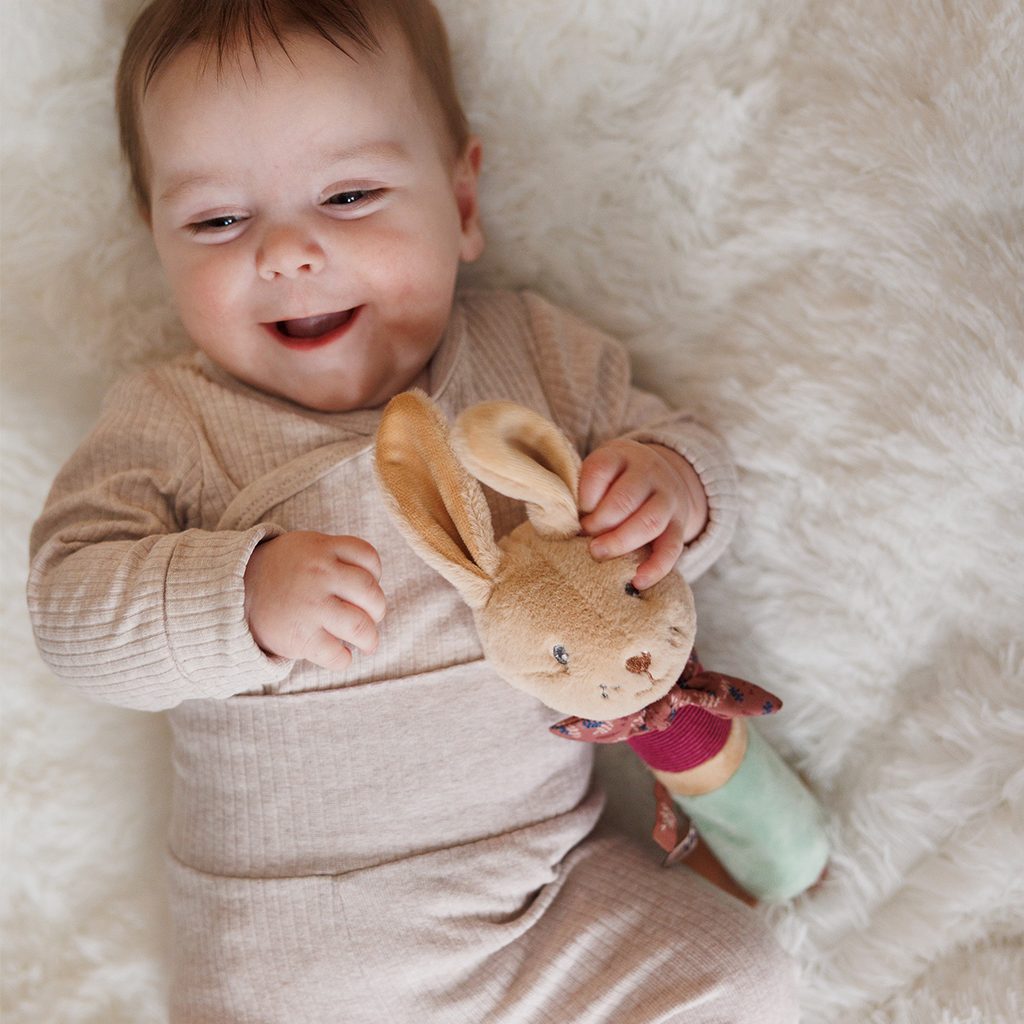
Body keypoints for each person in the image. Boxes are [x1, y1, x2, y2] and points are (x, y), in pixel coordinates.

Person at [27, 1, 807, 1020]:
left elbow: (691, 466)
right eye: (217, 221)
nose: (287, 251)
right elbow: (70, 612)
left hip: (545, 899)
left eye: (349, 195)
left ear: (462, 201)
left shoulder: (534, 357)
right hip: (294, 948)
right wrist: (238, 599)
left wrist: (667, 487)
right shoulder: (176, 421)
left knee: (743, 975)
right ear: (157, 246)